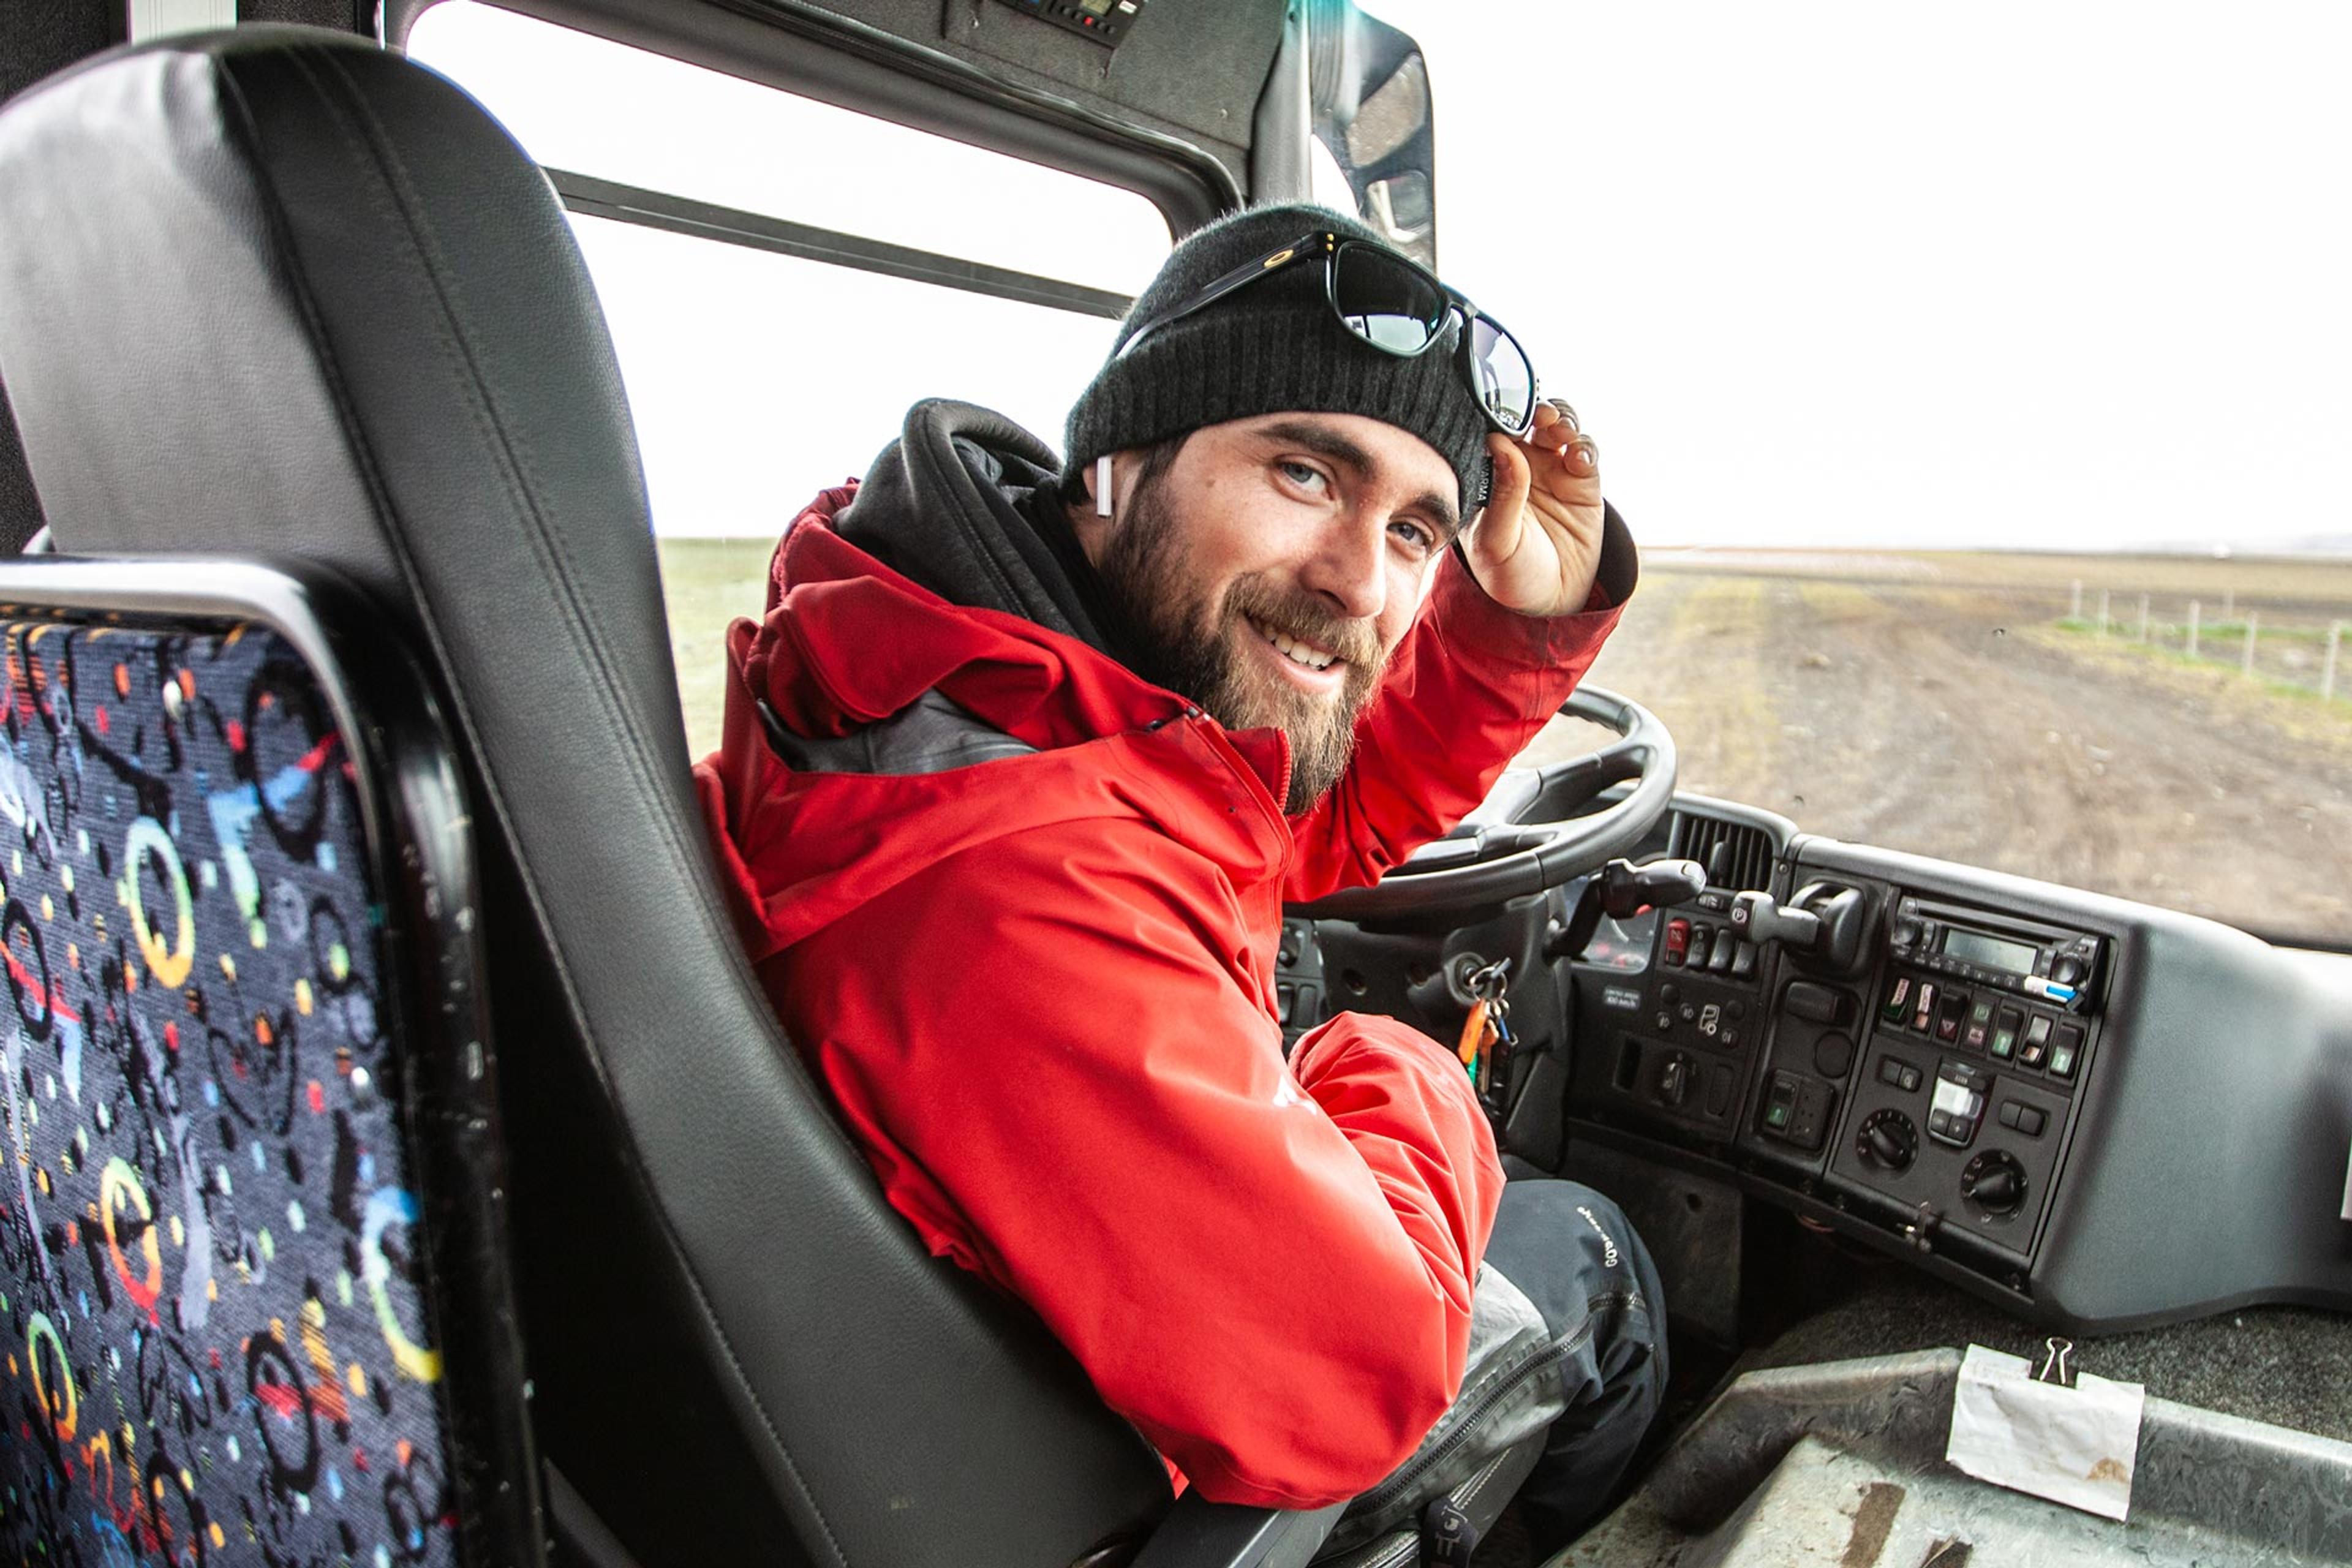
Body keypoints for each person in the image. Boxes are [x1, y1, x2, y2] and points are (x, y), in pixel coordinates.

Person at [696, 203, 1665, 1551]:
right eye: (1308, 476)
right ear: (1121, 456)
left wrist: (1519, 620)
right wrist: (1394, 1065)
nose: (1360, 582)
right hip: (1123, 1472)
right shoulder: (1021, 882)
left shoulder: (970, 682)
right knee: (1596, 1259)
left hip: (1010, 1361)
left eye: (1414, 535)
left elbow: (1298, 814)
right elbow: (1360, 1375)